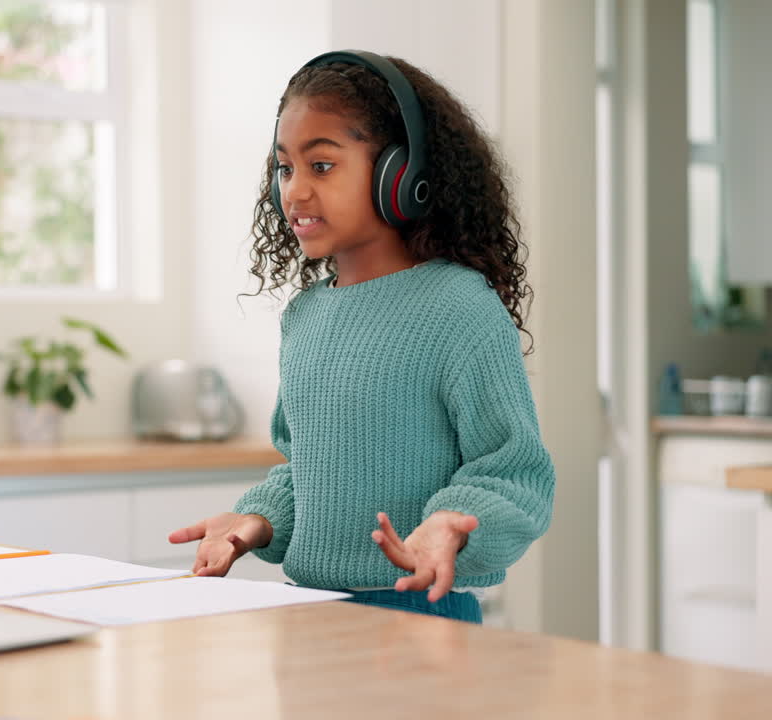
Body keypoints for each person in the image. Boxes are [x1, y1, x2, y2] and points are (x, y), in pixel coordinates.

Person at [168, 51, 555, 624]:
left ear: (401, 174)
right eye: (284, 168)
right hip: (311, 618)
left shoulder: (458, 307)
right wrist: (258, 520)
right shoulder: (306, 317)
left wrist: (452, 522)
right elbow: (310, 470)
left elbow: (513, 471)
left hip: (423, 616)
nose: (294, 192)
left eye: (321, 166)